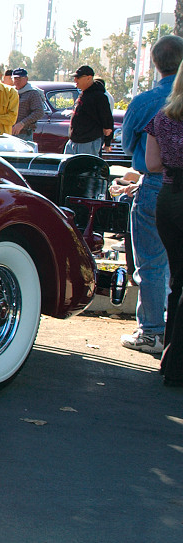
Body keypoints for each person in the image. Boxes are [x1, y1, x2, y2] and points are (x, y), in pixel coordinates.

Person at [118, 35, 183, 355]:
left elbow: (130, 146)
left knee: (152, 264)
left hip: (157, 186)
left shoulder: (147, 103)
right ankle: (174, 334)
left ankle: (153, 332)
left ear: (155, 63)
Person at [144, 72, 183, 385]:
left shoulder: (162, 118)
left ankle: (171, 362)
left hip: (168, 198)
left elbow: (152, 164)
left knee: (177, 281)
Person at [66, 65, 113, 155]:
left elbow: (107, 120)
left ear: (89, 78)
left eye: (78, 77)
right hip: (74, 141)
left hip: (88, 143)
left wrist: (107, 142)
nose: (75, 80)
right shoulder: (84, 94)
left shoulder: (99, 97)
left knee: (86, 169)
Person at [11, 68, 45, 142]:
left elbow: (39, 112)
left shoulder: (32, 93)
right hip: (10, 132)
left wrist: (22, 123)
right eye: (15, 78)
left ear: (26, 79)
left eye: (19, 78)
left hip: (24, 134)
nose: (17, 81)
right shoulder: (11, 92)